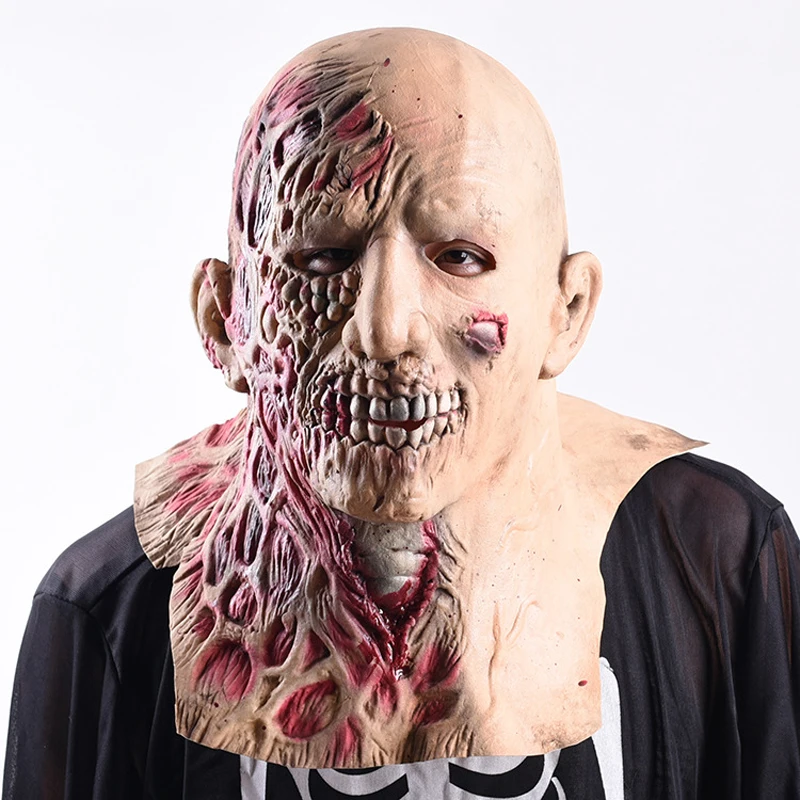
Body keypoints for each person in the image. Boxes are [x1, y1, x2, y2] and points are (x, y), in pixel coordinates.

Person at [4, 27, 799, 800]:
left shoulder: (717, 563)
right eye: (323, 257)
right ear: (226, 319)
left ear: (566, 311)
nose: (385, 329)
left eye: (461, 256)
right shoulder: (109, 611)